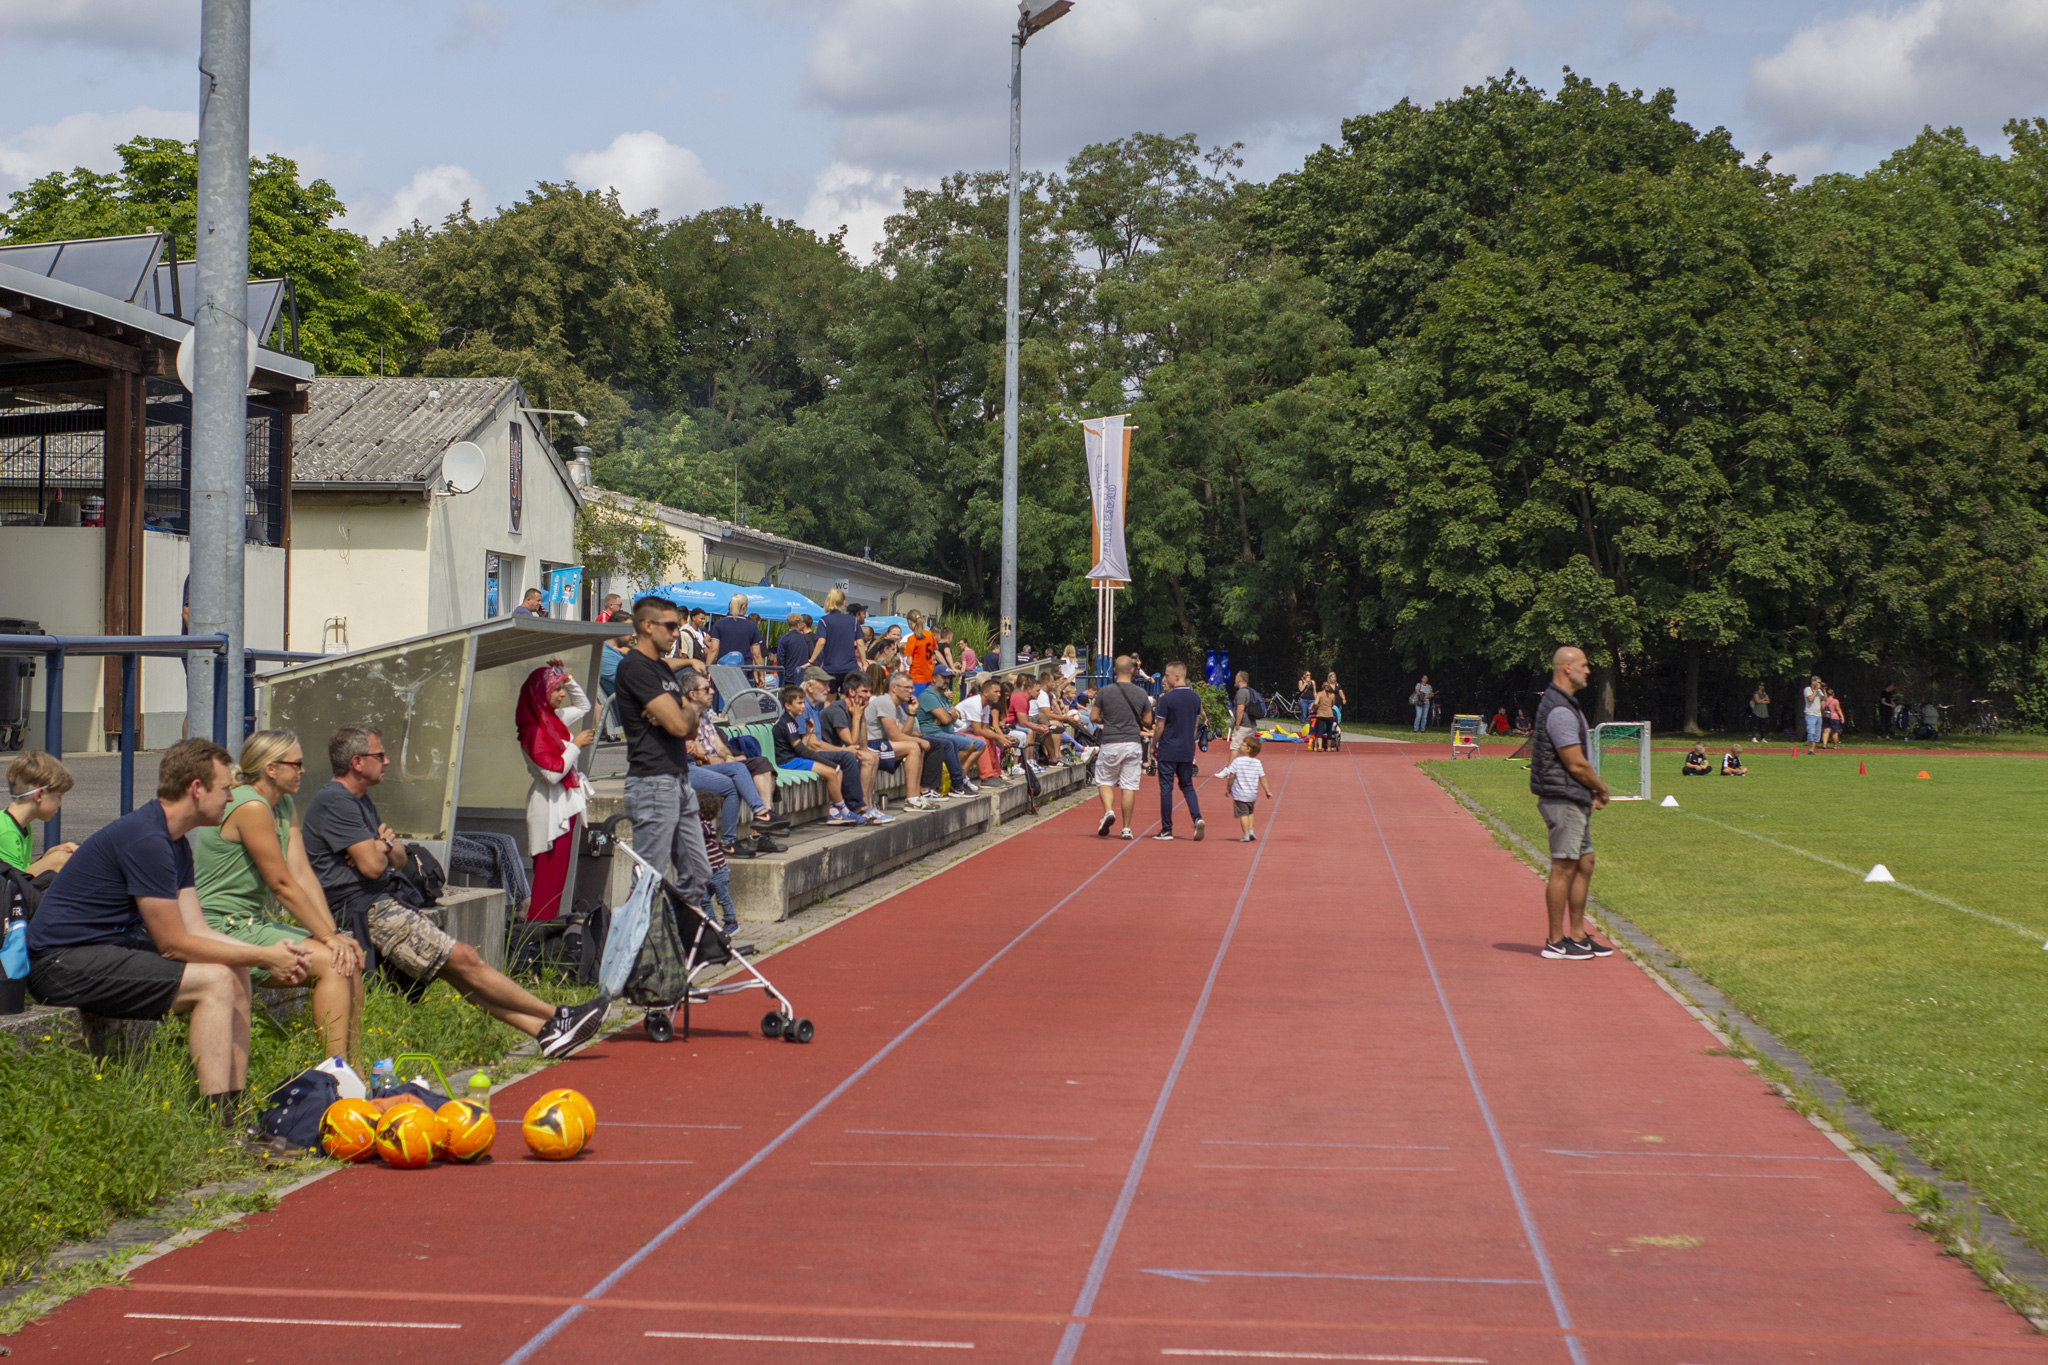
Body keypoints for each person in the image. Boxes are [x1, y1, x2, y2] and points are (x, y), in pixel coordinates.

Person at [28, 740, 310, 1136]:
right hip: (61, 962)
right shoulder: (147, 840)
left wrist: (256, 954)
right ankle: (220, 1127)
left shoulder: (174, 843)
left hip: (100, 951)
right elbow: (173, 943)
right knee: (213, 981)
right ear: (197, 789)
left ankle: (237, 1110)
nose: (231, 797)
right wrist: (265, 955)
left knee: (235, 970)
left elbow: (197, 929)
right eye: (226, 788)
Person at [303, 724, 611, 1056]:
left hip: (382, 901)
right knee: (463, 958)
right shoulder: (337, 801)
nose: (388, 761)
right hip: (367, 909)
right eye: (380, 755)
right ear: (357, 762)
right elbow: (374, 866)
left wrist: (382, 844)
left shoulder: (359, 801)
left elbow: (399, 857)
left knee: (459, 970)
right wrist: (382, 845)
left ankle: (544, 1031)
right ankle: (558, 1016)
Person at [193, 730, 364, 1068]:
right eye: (296, 764)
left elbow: (301, 873)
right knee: (332, 963)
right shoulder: (251, 806)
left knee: (347, 959)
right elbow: (281, 885)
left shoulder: (283, 803)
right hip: (221, 926)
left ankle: (354, 1067)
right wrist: (328, 939)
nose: (302, 771)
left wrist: (333, 934)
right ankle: (337, 1074)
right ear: (271, 769)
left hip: (252, 921)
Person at [614, 594, 720, 910]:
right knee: (650, 879)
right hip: (652, 782)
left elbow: (686, 729)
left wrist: (683, 706)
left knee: (699, 872)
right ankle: (634, 953)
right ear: (648, 626)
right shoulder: (635, 668)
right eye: (672, 626)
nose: (677, 632)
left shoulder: (662, 670)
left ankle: (674, 945)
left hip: (678, 780)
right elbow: (678, 726)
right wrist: (683, 710)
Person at [1530, 646, 1613, 960]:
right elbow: (1575, 763)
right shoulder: (1560, 709)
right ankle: (1555, 940)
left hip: (1573, 796)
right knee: (1563, 867)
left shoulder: (1567, 703)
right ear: (1566, 668)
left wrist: (1589, 791)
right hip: (1562, 798)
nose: (1588, 670)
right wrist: (1601, 789)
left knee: (1584, 862)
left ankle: (1577, 936)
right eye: (1584, 665)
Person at [518, 661, 593, 920]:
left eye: (562, 688)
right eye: (556, 689)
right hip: (548, 806)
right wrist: (576, 745)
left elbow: (584, 706)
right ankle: (536, 939)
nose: (562, 694)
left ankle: (546, 936)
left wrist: (568, 677)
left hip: (562, 804)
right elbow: (552, 774)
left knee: (556, 882)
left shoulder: (553, 719)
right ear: (540, 693)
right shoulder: (534, 731)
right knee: (547, 882)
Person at [771, 687, 860, 825]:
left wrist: (808, 733)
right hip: (788, 762)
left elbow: (801, 746)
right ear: (788, 706)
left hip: (795, 758)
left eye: (803, 702)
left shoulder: (792, 721)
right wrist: (827, 763)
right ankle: (843, 809)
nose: (803, 706)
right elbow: (801, 751)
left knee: (838, 771)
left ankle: (834, 811)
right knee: (832, 772)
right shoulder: (787, 723)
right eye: (799, 703)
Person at [807, 672, 886, 824]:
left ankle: (868, 805)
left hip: (831, 751)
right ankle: (858, 807)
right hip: (821, 751)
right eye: (865, 691)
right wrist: (856, 717)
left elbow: (862, 746)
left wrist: (861, 716)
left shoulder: (855, 709)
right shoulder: (838, 709)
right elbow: (851, 742)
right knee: (858, 757)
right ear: (851, 692)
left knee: (871, 755)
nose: (869, 695)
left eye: (870, 691)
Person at [1091, 656, 1153, 840]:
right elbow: (1148, 721)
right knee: (1129, 786)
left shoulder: (1105, 691)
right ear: (1133, 670)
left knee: (1104, 780)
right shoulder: (1141, 693)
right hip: (1133, 743)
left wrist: (1108, 720)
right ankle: (1126, 828)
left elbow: (1094, 717)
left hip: (1111, 741)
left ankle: (1109, 811)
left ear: (1115, 670)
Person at [1151, 662, 1206, 842]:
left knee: (1166, 788)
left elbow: (1160, 726)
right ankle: (1197, 817)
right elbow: (1195, 725)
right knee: (1187, 785)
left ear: (1176, 677)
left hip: (1168, 748)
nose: (1164, 679)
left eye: (1167, 675)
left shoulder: (1167, 699)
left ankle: (1167, 829)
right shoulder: (1195, 698)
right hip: (1186, 748)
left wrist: (1153, 745)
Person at [1, 751, 76, 876]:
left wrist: (48, 855)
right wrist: (55, 860)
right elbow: (15, 886)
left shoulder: (21, 825)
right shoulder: (7, 833)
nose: (60, 804)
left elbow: (22, 873)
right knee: (60, 859)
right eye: (59, 797)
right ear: (39, 795)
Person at [870, 673, 939, 810]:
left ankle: (916, 796)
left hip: (883, 744)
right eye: (906, 688)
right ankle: (911, 799)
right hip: (871, 745)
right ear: (894, 688)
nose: (910, 691)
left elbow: (904, 734)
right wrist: (918, 741)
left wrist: (911, 713)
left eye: (911, 688)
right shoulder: (885, 701)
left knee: (917, 746)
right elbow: (895, 736)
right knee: (914, 747)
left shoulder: (897, 707)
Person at [913, 678, 981, 796]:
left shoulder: (943, 696)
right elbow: (945, 720)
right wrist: (947, 716)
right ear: (934, 678)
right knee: (961, 744)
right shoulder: (928, 696)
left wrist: (947, 715)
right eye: (943, 677)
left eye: (947, 677)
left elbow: (957, 714)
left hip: (947, 731)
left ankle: (959, 776)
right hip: (932, 732)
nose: (946, 680)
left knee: (980, 744)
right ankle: (956, 783)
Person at [695, 792, 740, 934]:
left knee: (723, 897)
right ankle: (711, 922)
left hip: (717, 870)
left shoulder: (704, 827)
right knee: (703, 898)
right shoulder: (700, 826)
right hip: (705, 872)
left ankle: (731, 921)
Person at [956, 675, 1014, 783]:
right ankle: (986, 777)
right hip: (957, 732)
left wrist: (1000, 737)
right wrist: (998, 737)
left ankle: (996, 774)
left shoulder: (986, 706)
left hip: (968, 732)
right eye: (996, 692)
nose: (999, 695)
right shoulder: (975, 703)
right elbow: (978, 731)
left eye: (999, 692)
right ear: (986, 693)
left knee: (990, 739)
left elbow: (986, 728)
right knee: (982, 741)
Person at [1223, 735, 1274, 842]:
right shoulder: (1257, 763)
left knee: (1243, 814)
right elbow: (1262, 778)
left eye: (1243, 745)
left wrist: (1228, 788)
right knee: (1250, 812)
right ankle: (1251, 830)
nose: (1240, 746)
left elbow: (1231, 775)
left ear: (1248, 749)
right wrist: (1267, 791)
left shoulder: (1237, 761)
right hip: (1252, 794)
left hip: (1240, 794)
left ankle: (1245, 834)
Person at [708, 593, 768, 684]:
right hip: (744, 671)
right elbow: (756, 654)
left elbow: (713, 650)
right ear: (744, 607)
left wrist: (707, 669)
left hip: (723, 670)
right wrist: (761, 676)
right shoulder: (752, 627)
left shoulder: (719, 624)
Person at [815, 588, 860, 678]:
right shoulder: (853, 620)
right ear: (844, 602)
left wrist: (811, 660)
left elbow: (821, 642)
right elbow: (860, 643)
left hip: (831, 667)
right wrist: (864, 662)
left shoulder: (824, 621)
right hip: (850, 667)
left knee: (830, 691)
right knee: (849, 691)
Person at [903, 610, 940, 697]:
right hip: (929, 674)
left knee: (915, 702)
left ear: (909, 622)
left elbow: (909, 662)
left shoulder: (912, 639)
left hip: (917, 676)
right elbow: (936, 648)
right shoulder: (929, 634)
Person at [1311, 681, 1337, 751]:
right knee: (1329, 731)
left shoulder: (1320, 694)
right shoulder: (1332, 695)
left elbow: (1316, 703)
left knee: (1320, 731)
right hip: (1329, 714)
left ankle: (1319, 747)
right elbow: (1332, 704)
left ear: (1323, 687)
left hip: (1320, 714)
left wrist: (1312, 707)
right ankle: (1328, 747)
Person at [1803, 675, 1825, 754]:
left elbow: (1825, 699)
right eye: (1818, 682)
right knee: (1811, 732)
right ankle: (1810, 749)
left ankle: (1812, 750)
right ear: (1813, 682)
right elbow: (1810, 699)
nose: (1819, 684)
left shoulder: (1819, 691)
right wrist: (1816, 689)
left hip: (1818, 715)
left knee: (1817, 733)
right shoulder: (1807, 689)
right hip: (1810, 714)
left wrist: (1824, 690)